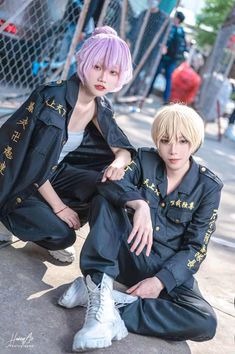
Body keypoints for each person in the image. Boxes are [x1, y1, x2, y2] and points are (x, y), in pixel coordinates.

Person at [59, 104, 223, 352]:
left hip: (165, 267)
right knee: (105, 197)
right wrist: (140, 206)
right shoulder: (145, 159)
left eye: (182, 141)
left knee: (204, 321)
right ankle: (99, 282)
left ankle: (108, 300)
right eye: (165, 140)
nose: (173, 149)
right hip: (126, 254)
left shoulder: (208, 186)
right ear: (157, 139)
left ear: (195, 141)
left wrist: (160, 281)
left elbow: (196, 248)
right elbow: (109, 184)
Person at [0, 26, 135, 263]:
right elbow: (34, 166)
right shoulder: (53, 99)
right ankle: (7, 218)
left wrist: (118, 162)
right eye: (97, 67)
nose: (104, 78)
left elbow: (123, 149)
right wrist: (59, 207)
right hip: (19, 181)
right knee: (63, 236)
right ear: (85, 63)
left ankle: (102, 264)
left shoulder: (99, 107)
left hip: (51, 177)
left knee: (107, 184)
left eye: (113, 72)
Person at [147, 11, 187, 103]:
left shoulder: (172, 28)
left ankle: (151, 94)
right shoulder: (181, 31)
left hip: (167, 58)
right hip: (171, 58)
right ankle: (164, 98)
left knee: (159, 75)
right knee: (165, 77)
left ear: (178, 19)